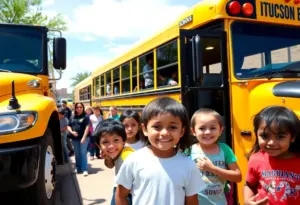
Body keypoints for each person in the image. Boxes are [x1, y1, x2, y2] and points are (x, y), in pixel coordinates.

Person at [115, 97, 206, 205]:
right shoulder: (134, 160)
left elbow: (192, 201)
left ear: (182, 131)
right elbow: (121, 195)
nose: (164, 133)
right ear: (144, 129)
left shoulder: (188, 164)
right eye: (157, 127)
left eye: (172, 127)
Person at [243, 106, 300, 205]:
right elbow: (249, 184)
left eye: (280, 136)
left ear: (292, 137)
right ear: (256, 134)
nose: (271, 142)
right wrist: (247, 201)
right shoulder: (256, 159)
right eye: (265, 136)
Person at [189, 108, 242, 205]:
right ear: (193, 131)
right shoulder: (189, 152)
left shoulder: (225, 149)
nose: (208, 132)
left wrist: (212, 169)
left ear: (221, 130)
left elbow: (238, 177)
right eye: (202, 128)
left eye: (213, 128)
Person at [93, 119, 134, 205]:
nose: (111, 146)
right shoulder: (117, 152)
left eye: (116, 140)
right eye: (105, 142)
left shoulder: (127, 156)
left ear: (124, 141)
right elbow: (111, 165)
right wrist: (108, 158)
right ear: (98, 145)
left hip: (128, 194)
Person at [67, 102, 90, 176]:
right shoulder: (72, 116)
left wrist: (83, 137)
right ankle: (78, 168)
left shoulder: (86, 116)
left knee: (83, 153)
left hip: (84, 138)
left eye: (81, 107)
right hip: (75, 138)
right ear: (75, 108)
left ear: (83, 108)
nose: (79, 109)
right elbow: (68, 126)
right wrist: (72, 132)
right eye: (77, 107)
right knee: (77, 153)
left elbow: (87, 127)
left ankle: (85, 169)